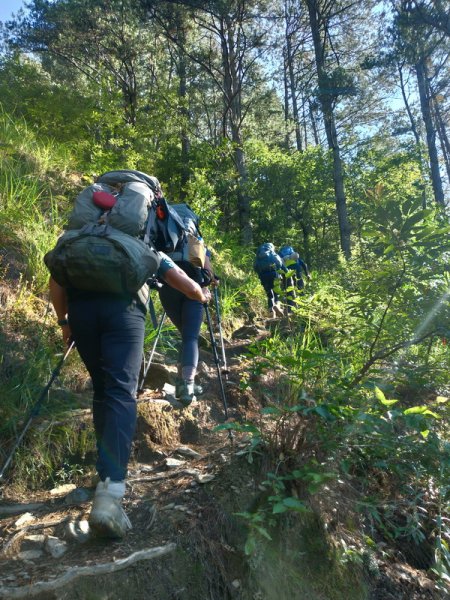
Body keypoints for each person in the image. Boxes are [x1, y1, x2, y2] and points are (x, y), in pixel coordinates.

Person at [49, 255, 211, 540]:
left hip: (80, 312)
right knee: (122, 393)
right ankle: (109, 496)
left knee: (102, 389)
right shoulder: (140, 240)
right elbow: (185, 284)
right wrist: (201, 293)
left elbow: (56, 280)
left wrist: (64, 322)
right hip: (124, 312)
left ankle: (105, 475)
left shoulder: (76, 239)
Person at [158, 247, 216, 407]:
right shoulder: (196, 240)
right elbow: (207, 271)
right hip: (194, 287)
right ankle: (187, 385)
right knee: (191, 337)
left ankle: (181, 383)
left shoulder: (161, 236)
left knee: (186, 335)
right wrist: (210, 281)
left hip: (168, 288)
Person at [253, 242, 286, 318]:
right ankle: (277, 306)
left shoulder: (258, 257)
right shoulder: (274, 254)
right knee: (276, 293)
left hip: (263, 277)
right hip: (275, 275)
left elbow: (255, 268)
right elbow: (282, 267)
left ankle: (271, 312)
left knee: (270, 295)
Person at [278, 245, 311, 309]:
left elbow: (279, 267)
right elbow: (304, 265)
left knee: (288, 291)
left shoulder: (282, 258)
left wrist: (280, 277)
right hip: (296, 273)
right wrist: (307, 274)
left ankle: (290, 308)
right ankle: (303, 306)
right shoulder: (296, 258)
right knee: (300, 288)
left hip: (286, 274)